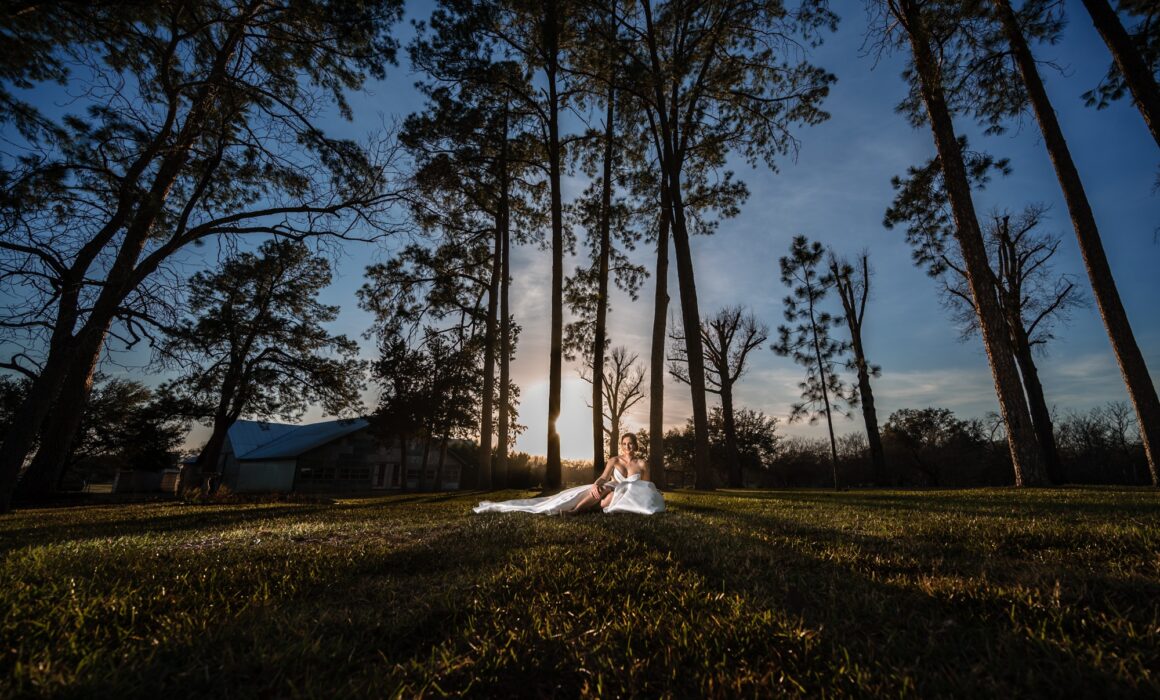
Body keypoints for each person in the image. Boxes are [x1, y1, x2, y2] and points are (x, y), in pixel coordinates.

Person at [472, 433, 665, 516]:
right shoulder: (614, 460)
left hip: (630, 494)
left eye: (631, 444)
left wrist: (654, 495)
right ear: (621, 446)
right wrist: (596, 484)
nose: (627, 447)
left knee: (608, 499)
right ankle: (575, 511)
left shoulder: (642, 463)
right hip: (612, 487)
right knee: (605, 487)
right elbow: (604, 476)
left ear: (636, 445)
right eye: (624, 444)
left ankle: (596, 507)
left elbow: (646, 486)